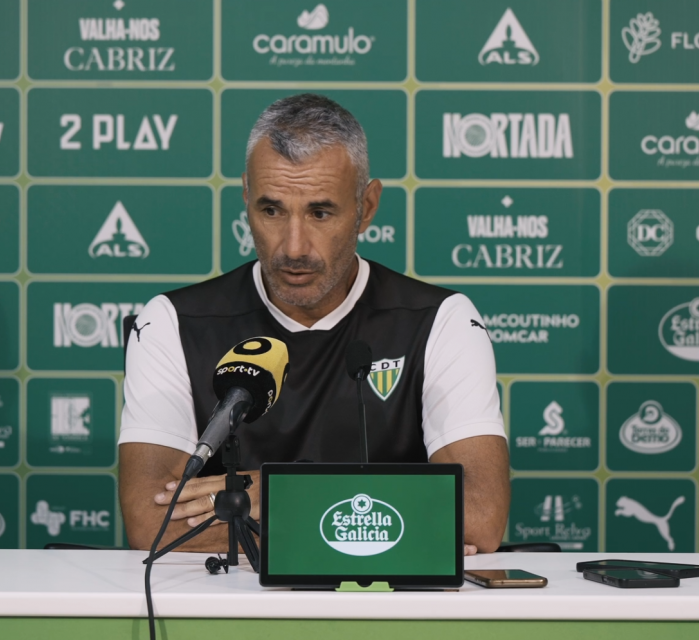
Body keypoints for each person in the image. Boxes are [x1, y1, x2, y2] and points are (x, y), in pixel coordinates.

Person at [119, 94, 509, 555]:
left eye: (320, 213)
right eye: (272, 210)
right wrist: (401, 522)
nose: (294, 246)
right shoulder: (173, 323)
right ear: (246, 197)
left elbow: (481, 517)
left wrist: (278, 495)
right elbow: (150, 522)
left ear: (366, 206)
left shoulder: (441, 322)